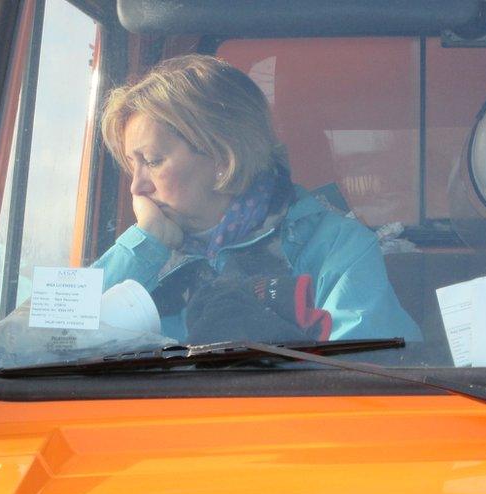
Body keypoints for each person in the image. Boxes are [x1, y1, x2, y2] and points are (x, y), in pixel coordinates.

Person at [92, 54, 421, 344]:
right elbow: (55, 345)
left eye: (152, 161)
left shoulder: (336, 248)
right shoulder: (145, 253)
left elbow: (365, 381)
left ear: (222, 159)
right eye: (131, 166)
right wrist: (143, 248)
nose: (136, 187)